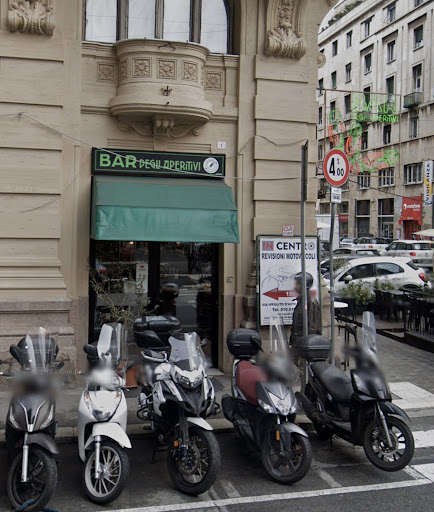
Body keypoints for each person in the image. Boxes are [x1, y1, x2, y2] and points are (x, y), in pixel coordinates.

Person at [290, 272, 321, 366]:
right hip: (297, 341)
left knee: (301, 368)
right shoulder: (302, 299)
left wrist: (306, 344)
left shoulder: (309, 302)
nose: (295, 286)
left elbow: (312, 326)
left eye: (297, 284)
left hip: (303, 343)